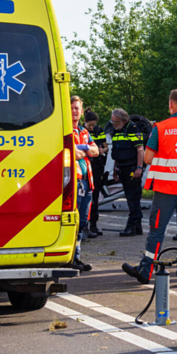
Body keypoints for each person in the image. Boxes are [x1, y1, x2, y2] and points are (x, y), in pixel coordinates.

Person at [122, 89, 177, 287]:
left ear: (170, 104)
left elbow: (149, 158)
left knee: (157, 231)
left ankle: (146, 270)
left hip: (166, 188)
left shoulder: (160, 128)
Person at [106, 108, 145, 237]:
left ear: (123, 120)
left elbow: (140, 149)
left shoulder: (132, 129)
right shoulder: (117, 130)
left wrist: (139, 168)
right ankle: (137, 226)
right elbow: (118, 152)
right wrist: (115, 169)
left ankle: (132, 226)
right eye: (112, 122)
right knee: (130, 198)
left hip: (132, 168)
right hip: (122, 167)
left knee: (133, 198)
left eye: (116, 122)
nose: (114, 125)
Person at [70, 96, 99, 271]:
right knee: (73, 221)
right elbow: (74, 153)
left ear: (82, 111)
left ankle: (77, 257)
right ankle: (70, 257)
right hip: (74, 181)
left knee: (82, 222)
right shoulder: (64, 130)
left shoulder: (84, 132)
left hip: (88, 182)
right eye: (72, 108)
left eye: (77, 108)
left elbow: (95, 151)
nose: (75, 111)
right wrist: (85, 150)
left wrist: (82, 149)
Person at [85, 110, 108, 237]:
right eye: (90, 125)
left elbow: (106, 147)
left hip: (98, 167)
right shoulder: (82, 131)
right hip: (87, 166)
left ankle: (93, 224)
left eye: (94, 125)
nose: (92, 128)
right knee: (86, 198)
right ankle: (85, 225)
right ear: (85, 122)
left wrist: (101, 150)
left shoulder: (99, 130)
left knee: (95, 198)